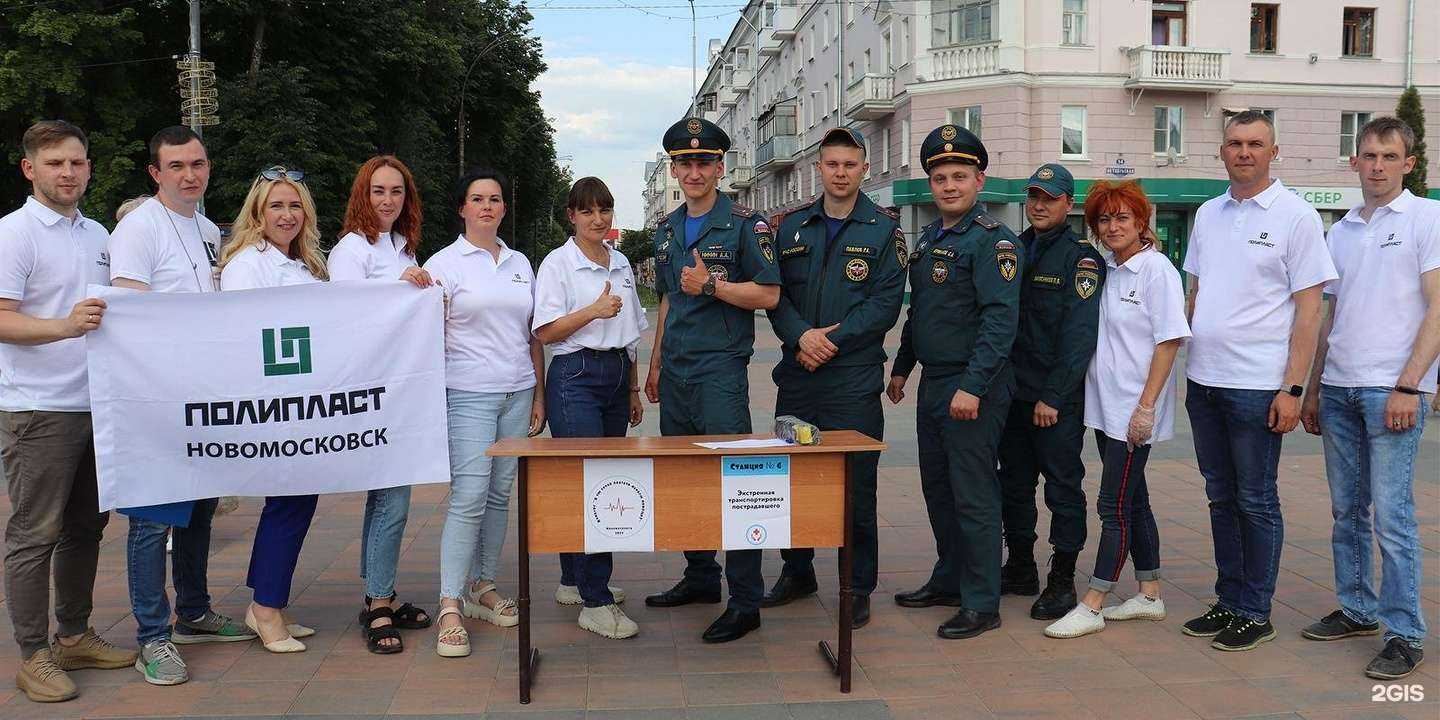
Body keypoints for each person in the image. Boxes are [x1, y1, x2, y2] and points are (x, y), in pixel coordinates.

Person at [1180, 110, 1336, 652]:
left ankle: (1256, 609)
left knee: (1255, 500)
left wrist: (1293, 389)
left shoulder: (1296, 216)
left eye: (1255, 143)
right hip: (1204, 381)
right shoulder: (1207, 214)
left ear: (1274, 152)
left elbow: (1309, 313)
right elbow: (1196, 294)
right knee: (1220, 498)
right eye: (1235, 143)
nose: (1244, 152)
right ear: (1221, 152)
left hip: (1258, 386)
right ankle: (1228, 600)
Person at [108, 126, 254, 687]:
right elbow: (128, 313)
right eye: (176, 166)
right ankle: (152, 637)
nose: (190, 174)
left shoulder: (206, 228)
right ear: (155, 172)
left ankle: (192, 610)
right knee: (153, 519)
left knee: (196, 513)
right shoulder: (138, 228)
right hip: (155, 397)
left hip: (203, 395)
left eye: (197, 163)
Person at [0, 120, 136, 703]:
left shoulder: (98, 233)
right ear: (30, 168)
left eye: (77, 162)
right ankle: (33, 655)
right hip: (38, 408)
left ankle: (74, 635)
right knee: (34, 534)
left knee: (87, 527)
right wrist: (63, 326)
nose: (68, 172)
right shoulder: (13, 233)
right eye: (55, 163)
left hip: (94, 403)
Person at [1299, 117, 1439, 680]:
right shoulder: (1342, 231)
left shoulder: (1428, 219)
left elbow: (1438, 308)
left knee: (1393, 516)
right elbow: (1329, 314)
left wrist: (1411, 383)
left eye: (1388, 156)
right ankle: (1358, 607)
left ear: (1408, 163)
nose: (1377, 165)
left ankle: (1404, 632)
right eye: (1368, 155)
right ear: (1354, 162)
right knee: (1345, 512)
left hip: (1392, 391)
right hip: (1338, 388)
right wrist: (1311, 388)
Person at [760, 128, 905, 629]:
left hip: (852, 381)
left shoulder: (884, 231)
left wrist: (830, 341)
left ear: (864, 169)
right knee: (792, 480)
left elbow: (885, 304)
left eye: (849, 165)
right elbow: (774, 295)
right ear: (817, 169)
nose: (840, 173)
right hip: (798, 376)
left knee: (856, 486)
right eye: (831, 164)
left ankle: (857, 584)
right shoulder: (791, 227)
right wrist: (802, 336)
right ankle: (797, 572)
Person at [642, 116, 780, 644]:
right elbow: (670, 299)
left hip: (720, 370)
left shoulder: (747, 223)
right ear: (674, 169)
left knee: (735, 480)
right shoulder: (668, 228)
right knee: (685, 478)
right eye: (684, 163)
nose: (694, 171)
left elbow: (768, 295)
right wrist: (653, 363)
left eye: (703, 162)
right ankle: (701, 576)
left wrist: (714, 285)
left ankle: (746, 600)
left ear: (720, 167)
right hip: (674, 371)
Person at [888, 124, 1022, 640]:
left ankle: (982, 600)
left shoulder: (994, 243)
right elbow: (923, 313)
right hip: (934, 383)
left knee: (973, 494)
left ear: (979, 180)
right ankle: (948, 579)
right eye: (940, 177)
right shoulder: (930, 239)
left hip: (973, 387)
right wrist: (903, 366)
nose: (949, 185)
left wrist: (974, 386)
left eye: (959, 176)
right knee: (938, 489)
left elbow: (999, 321)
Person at [1042, 181, 1189, 639]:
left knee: (1114, 506)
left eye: (1123, 218)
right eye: (1104, 219)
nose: (1112, 227)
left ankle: (1094, 601)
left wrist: (1146, 409)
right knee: (1135, 501)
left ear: (1142, 223)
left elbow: (1168, 342)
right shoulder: (1105, 267)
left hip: (1132, 411)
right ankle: (1149, 595)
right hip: (1104, 408)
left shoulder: (1156, 270)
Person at [423, 169, 545, 658]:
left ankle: (482, 585)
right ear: (462, 208)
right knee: (469, 496)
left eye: (495, 199)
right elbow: (422, 333)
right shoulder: (443, 264)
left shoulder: (519, 263)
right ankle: (450, 602)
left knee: (499, 496)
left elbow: (533, 333)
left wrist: (538, 394)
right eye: (477, 199)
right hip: (468, 394)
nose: (487, 207)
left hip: (518, 392)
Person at [218, 166, 331, 654]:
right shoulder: (248, 264)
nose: (287, 215)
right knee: (288, 501)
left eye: (294, 205)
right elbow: (248, 337)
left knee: (296, 502)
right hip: (273, 403)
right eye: (276, 206)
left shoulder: (304, 266)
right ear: (257, 213)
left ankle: (267, 602)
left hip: (303, 402)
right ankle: (265, 608)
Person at [328, 155, 435, 653]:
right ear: (362, 196)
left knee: (390, 498)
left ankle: (381, 592)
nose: (387, 200)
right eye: (378, 192)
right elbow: (351, 317)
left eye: (396, 191)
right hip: (370, 390)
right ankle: (377, 602)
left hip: (400, 389)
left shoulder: (402, 247)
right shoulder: (352, 249)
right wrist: (403, 289)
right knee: (391, 499)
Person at [533, 177, 648, 639]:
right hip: (575, 376)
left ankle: (573, 582)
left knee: (596, 477)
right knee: (593, 483)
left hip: (617, 373)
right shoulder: (558, 264)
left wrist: (634, 389)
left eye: (604, 210)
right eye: (587, 212)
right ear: (572, 216)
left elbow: (635, 328)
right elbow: (545, 332)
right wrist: (592, 312)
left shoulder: (619, 261)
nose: (597, 219)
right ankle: (596, 600)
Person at [996, 163, 1103, 621]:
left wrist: (1053, 397)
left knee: (1062, 488)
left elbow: (1080, 338)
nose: (1039, 205)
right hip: (1013, 394)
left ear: (1068, 203)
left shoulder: (1081, 260)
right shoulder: (1015, 249)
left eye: (1050, 197)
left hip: (1054, 400)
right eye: (1034, 196)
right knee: (1014, 485)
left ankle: (1061, 578)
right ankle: (1020, 566)